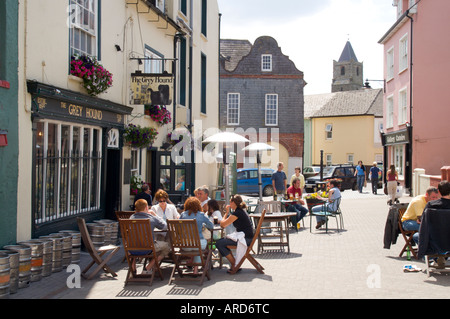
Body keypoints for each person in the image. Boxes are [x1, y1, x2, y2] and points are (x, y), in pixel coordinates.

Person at [216, 195, 254, 274]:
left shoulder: (237, 213)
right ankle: (235, 264)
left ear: (233, 203)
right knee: (222, 242)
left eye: (230, 202)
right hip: (247, 238)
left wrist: (226, 213)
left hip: (245, 239)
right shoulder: (240, 211)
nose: (229, 203)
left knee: (219, 243)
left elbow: (223, 225)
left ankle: (235, 264)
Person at [129, 199, 171, 265]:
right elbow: (165, 226)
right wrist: (154, 215)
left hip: (131, 249)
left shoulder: (131, 218)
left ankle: (133, 268)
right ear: (146, 207)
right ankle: (149, 267)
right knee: (167, 246)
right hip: (148, 248)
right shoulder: (151, 218)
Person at [180, 197, 214, 273]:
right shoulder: (201, 215)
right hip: (199, 244)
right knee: (201, 245)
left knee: (196, 246)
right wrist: (204, 224)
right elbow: (211, 226)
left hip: (185, 245)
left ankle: (190, 263)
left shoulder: (183, 215)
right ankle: (196, 269)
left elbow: (179, 227)